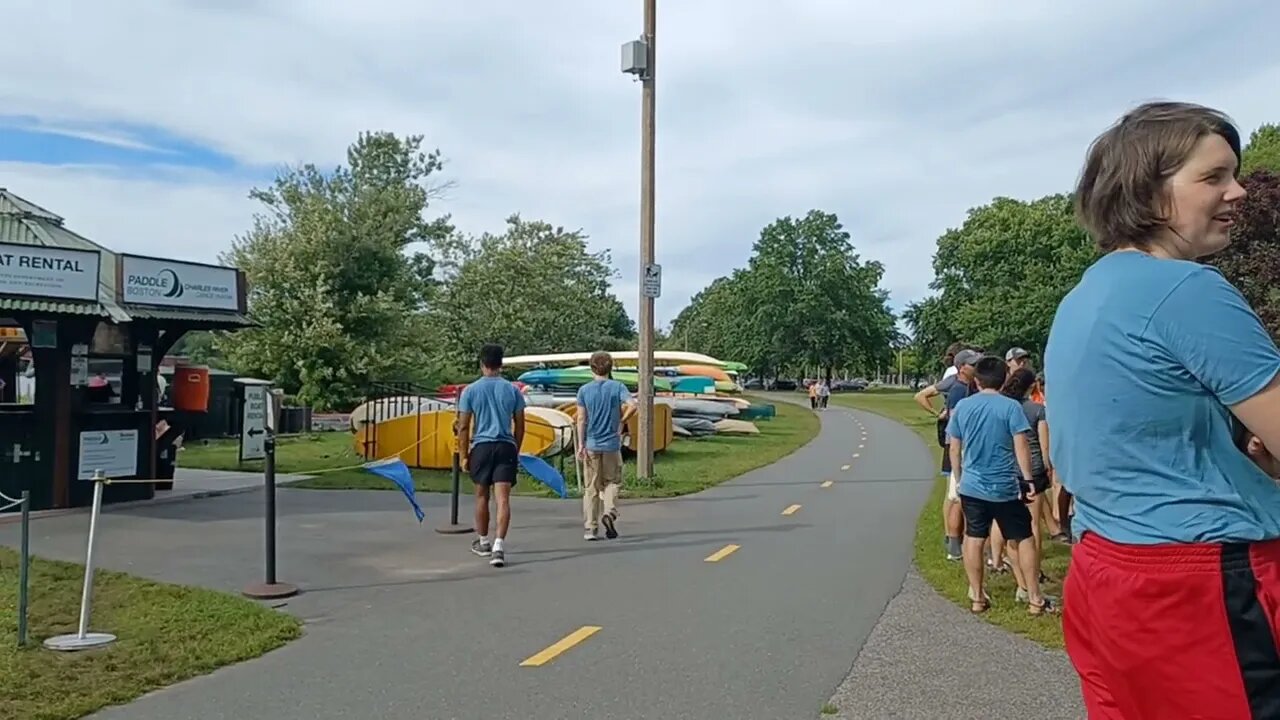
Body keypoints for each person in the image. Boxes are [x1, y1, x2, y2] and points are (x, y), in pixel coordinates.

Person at [1045, 101, 1280, 718]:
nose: (1238, 192)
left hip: (1105, 572)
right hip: (1198, 582)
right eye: (1214, 177)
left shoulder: (1085, 295)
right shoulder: (1187, 289)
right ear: (1148, 193)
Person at [946, 355, 1050, 615]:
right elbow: (1021, 445)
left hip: (972, 485)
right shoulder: (1010, 408)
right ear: (1004, 379)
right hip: (1004, 485)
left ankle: (978, 597)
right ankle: (1034, 597)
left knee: (974, 537)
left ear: (977, 381)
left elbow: (955, 447)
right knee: (1023, 536)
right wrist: (1027, 479)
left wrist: (959, 478)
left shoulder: (963, 408)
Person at [456, 343, 526, 568]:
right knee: (503, 498)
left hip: (482, 446)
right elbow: (520, 424)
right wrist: (516, 447)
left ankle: (483, 541)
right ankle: (499, 546)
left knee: (481, 496)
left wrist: (463, 454)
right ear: (501, 364)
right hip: (505, 445)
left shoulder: (471, 390)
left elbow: (464, 427)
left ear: (482, 363)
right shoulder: (512, 390)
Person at [575, 351, 631, 541]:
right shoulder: (617, 387)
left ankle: (590, 528)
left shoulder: (584, 390)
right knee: (612, 482)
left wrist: (581, 443)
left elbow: (581, 419)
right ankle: (609, 512)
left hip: (591, 443)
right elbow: (633, 405)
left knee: (591, 487)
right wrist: (622, 421)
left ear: (592, 368)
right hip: (611, 444)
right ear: (610, 367)